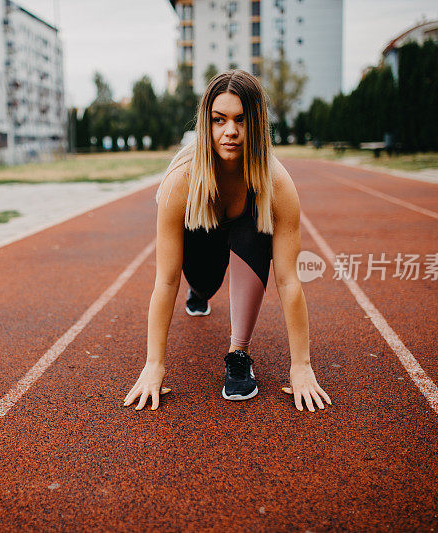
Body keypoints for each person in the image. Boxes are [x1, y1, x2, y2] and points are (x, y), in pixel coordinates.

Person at [123, 70, 332, 413]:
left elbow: (289, 279)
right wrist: (153, 365)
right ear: (207, 125)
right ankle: (201, 292)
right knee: (203, 286)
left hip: (246, 240)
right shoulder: (182, 182)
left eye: (241, 120)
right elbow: (166, 279)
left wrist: (302, 367)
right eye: (219, 120)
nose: (230, 131)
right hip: (202, 242)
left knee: (255, 227)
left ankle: (239, 354)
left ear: (258, 125)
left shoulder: (277, 184)